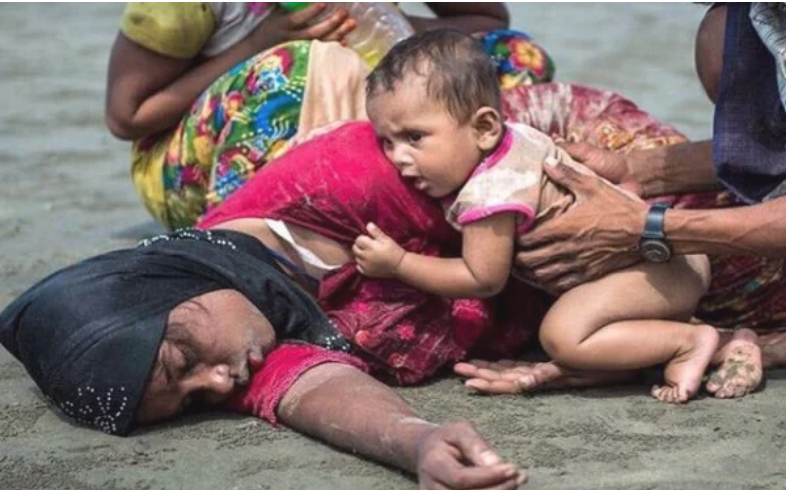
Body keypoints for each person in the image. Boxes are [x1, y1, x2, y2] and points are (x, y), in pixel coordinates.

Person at [1, 123, 535, 490]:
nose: (218, 385)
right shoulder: (240, 328)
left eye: (182, 362)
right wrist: (418, 444)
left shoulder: (355, 180)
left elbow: (531, 160)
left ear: (173, 285)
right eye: (191, 403)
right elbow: (314, 390)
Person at [351, 29, 719, 404]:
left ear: (484, 128)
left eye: (414, 137)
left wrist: (399, 263)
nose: (397, 157)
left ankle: (687, 342)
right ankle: (672, 338)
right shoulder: (519, 137)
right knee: (573, 317)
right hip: (671, 256)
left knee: (562, 335)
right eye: (387, 141)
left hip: (656, 269)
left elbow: (481, 278)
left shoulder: (492, 190)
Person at [458, 2, 785, 400]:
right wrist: (634, 169)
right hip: (680, 262)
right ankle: (697, 339)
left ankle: (699, 338)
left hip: (704, 262)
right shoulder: (743, 18)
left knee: (562, 332)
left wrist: (651, 226)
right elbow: (770, 150)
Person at [105, 2, 553, 229]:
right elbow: (127, 115)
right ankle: (248, 238)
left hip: (377, 118)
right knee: (296, 65)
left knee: (511, 56)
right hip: (192, 171)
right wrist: (260, 42)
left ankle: (489, 209)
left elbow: (485, 19)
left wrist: (383, 24)